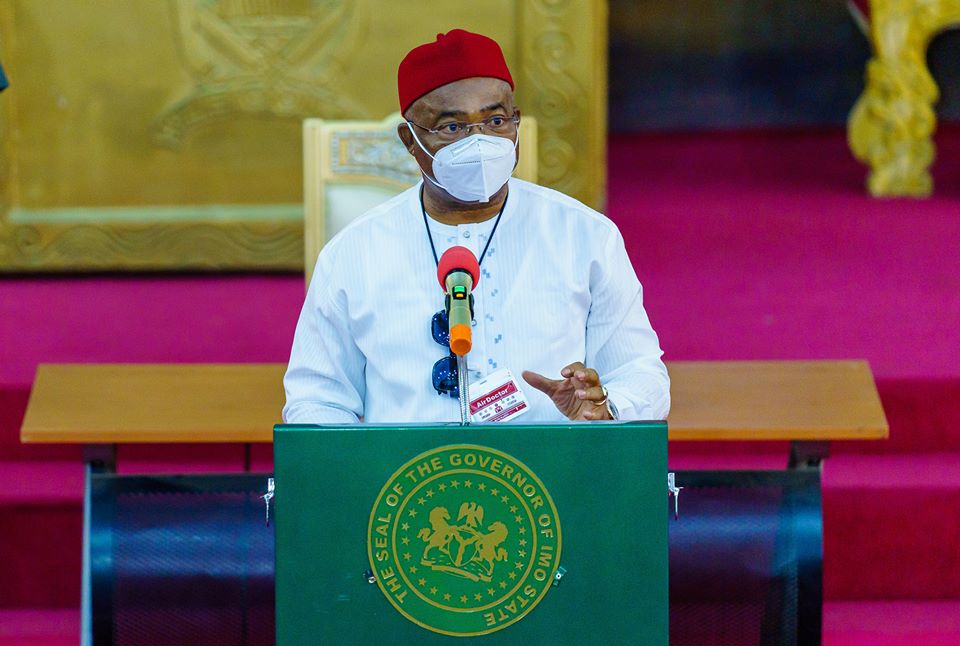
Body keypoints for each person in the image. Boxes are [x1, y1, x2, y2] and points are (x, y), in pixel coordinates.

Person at [283, 29, 669, 424]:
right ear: (410, 140)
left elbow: (641, 375)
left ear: (516, 123)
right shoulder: (352, 252)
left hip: (546, 462)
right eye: (452, 127)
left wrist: (605, 409)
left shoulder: (585, 236)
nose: (480, 142)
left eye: (496, 120)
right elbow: (316, 400)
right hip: (405, 464)